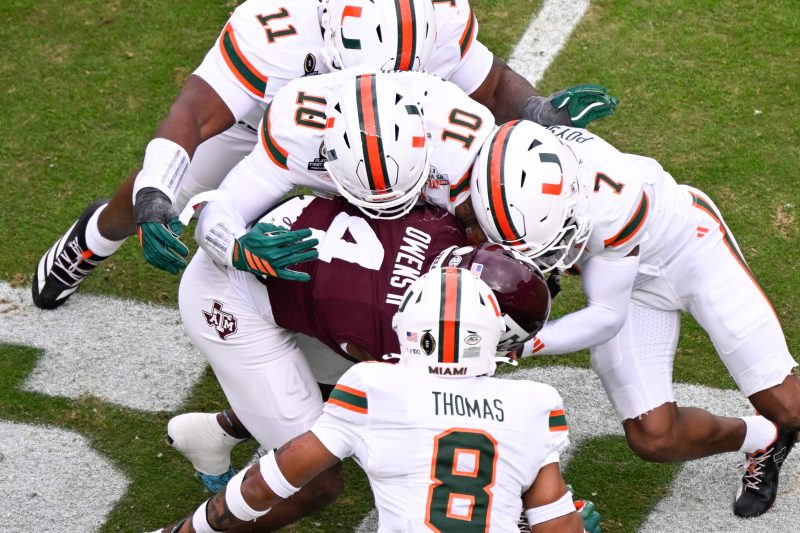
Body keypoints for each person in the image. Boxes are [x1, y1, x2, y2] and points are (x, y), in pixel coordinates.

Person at [31, 0, 618, 310]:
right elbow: (194, 115)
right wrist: (156, 197)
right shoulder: (275, 26)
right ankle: (91, 239)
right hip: (264, 125)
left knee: (398, 247)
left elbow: (491, 84)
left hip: (388, 139)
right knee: (159, 192)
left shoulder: (434, 17)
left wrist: (539, 112)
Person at [468, 119, 800, 518]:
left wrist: (526, 343)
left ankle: (782, 421)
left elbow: (607, 316)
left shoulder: (614, 197)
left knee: (789, 405)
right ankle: (766, 437)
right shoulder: (497, 181)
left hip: (690, 252)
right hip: (628, 285)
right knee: (654, 437)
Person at [150, 266, 599, 533]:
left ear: (410, 332)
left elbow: (263, 486)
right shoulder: (536, 404)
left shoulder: (373, 386)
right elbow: (557, 527)